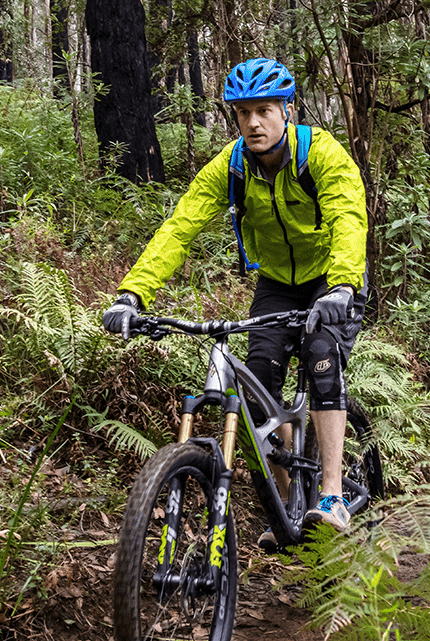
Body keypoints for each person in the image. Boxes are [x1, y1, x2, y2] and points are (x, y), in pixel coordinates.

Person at [102, 57, 368, 535]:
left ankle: (331, 496)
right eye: (242, 113)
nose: (252, 122)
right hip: (276, 284)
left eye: (263, 110)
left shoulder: (321, 155)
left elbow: (349, 215)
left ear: (287, 110)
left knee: (321, 356)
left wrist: (344, 284)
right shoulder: (232, 166)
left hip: (331, 279)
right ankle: (290, 503)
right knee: (259, 382)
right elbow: (179, 228)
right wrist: (132, 294)